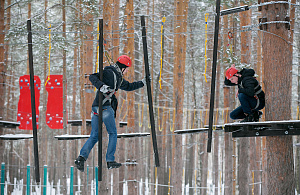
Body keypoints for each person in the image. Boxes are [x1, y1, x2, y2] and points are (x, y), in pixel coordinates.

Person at [75, 55, 147, 171]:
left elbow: (128, 86)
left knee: (95, 136)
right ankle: (110, 160)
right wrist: (102, 86)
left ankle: (81, 158)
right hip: (105, 108)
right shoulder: (109, 72)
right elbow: (93, 77)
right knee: (113, 133)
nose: (128, 70)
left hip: (96, 108)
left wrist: (142, 83)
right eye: (127, 68)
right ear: (123, 67)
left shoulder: (118, 78)